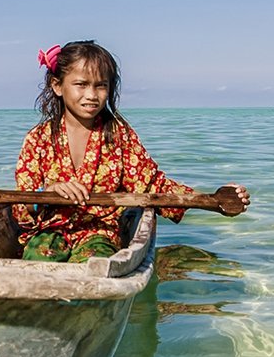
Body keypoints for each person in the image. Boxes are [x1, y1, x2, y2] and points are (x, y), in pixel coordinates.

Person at [14, 40, 249, 261]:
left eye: (101, 85)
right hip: (50, 231)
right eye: (81, 84)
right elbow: (20, 206)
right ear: (57, 86)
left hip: (99, 233)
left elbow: (154, 185)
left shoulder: (118, 136)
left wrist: (213, 201)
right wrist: (46, 193)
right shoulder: (38, 139)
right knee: (38, 256)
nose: (91, 95)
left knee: (95, 262)